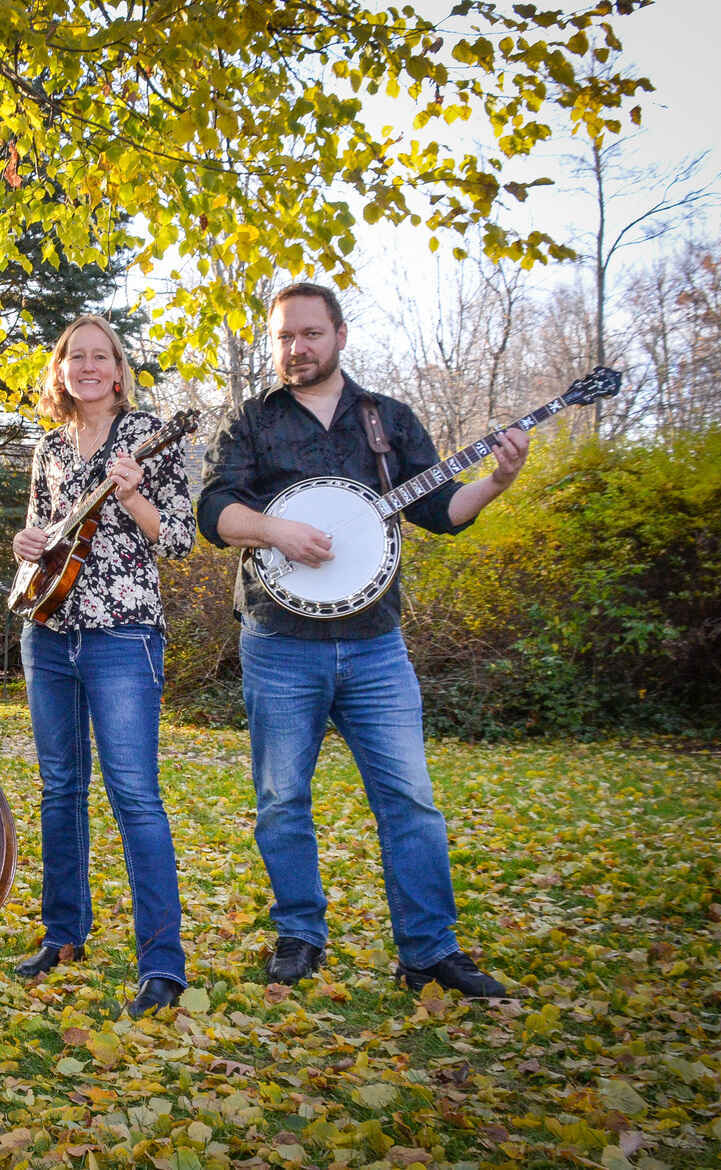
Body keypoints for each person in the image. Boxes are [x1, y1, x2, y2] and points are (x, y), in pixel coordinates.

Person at [197, 281, 527, 997]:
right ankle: (299, 934)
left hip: (376, 644)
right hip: (278, 640)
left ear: (340, 335)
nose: (295, 348)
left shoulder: (388, 420)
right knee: (282, 798)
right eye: (283, 336)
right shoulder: (251, 421)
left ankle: (427, 951)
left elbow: (441, 510)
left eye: (309, 334)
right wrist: (273, 528)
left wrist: (496, 484)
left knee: (409, 799)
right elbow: (213, 509)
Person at [9, 314, 196, 1019]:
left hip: (123, 636)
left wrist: (130, 494)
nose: (87, 366)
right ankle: (63, 936)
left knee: (133, 796)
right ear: (60, 370)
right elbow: (40, 538)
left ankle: (161, 964)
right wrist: (24, 543)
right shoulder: (49, 446)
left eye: (100, 356)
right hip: (47, 631)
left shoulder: (149, 438)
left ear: (118, 370)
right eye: (74, 356)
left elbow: (177, 539)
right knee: (60, 789)